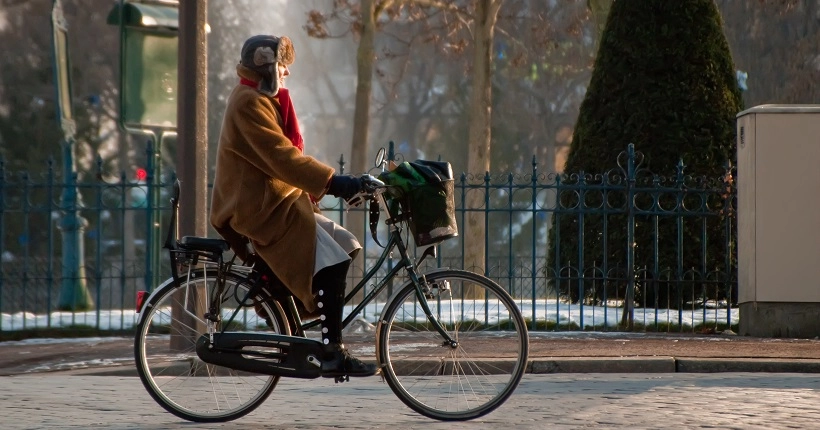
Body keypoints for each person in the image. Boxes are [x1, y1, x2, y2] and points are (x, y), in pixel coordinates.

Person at [209, 34, 376, 377]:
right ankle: (332, 350)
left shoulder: (258, 98)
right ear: (268, 67)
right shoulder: (248, 102)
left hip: (278, 201)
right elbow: (281, 157)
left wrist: (337, 185)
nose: (287, 73)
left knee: (345, 245)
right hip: (260, 209)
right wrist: (335, 182)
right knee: (334, 258)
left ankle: (280, 299)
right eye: (283, 66)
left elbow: (285, 160)